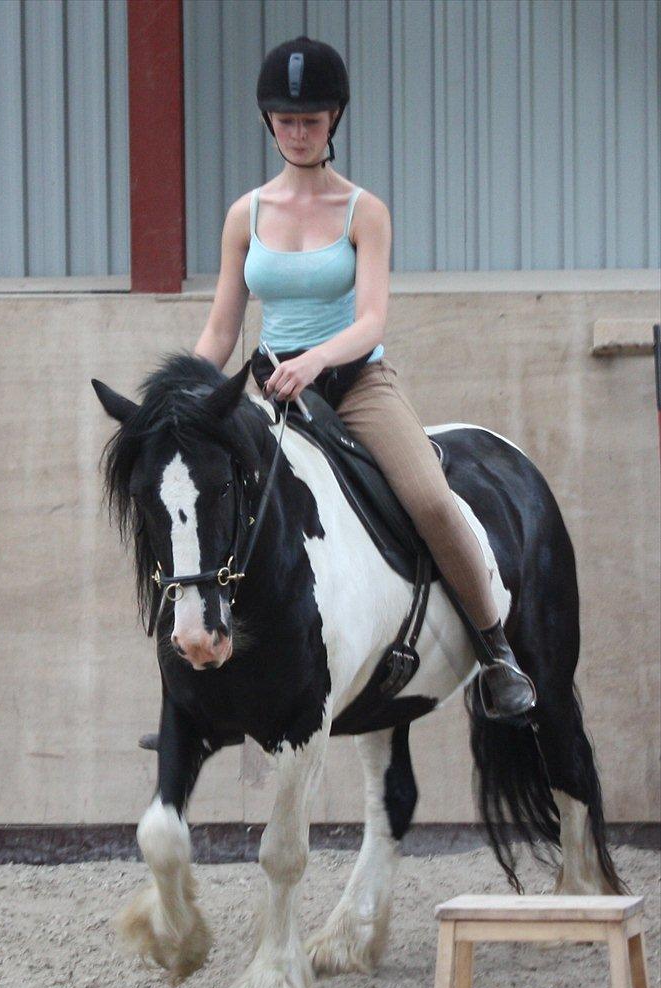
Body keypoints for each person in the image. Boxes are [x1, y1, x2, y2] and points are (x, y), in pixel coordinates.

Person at [192, 35, 535, 720]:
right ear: (268, 122)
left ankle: (495, 650)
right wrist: (182, 397)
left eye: (310, 121)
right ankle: (196, 682)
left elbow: (372, 318)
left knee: (431, 501)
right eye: (286, 120)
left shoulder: (362, 211)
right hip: (271, 392)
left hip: (354, 386)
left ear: (334, 122)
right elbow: (222, 329)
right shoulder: (245, 215)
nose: (297, 133)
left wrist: (318, 359)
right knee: (197, 504)